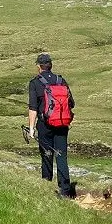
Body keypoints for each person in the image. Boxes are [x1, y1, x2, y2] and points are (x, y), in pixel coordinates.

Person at [27, 52, 75, 198]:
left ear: (38, 66)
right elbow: (71, 103)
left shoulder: (35, 83)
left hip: (45, 125)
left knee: (47, 155)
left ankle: (47, 186)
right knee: (61, 156)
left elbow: (33, 108)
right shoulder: (61, 80)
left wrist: (31, 128)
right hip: (62, 124)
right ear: (50, 65)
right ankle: (65, 191)